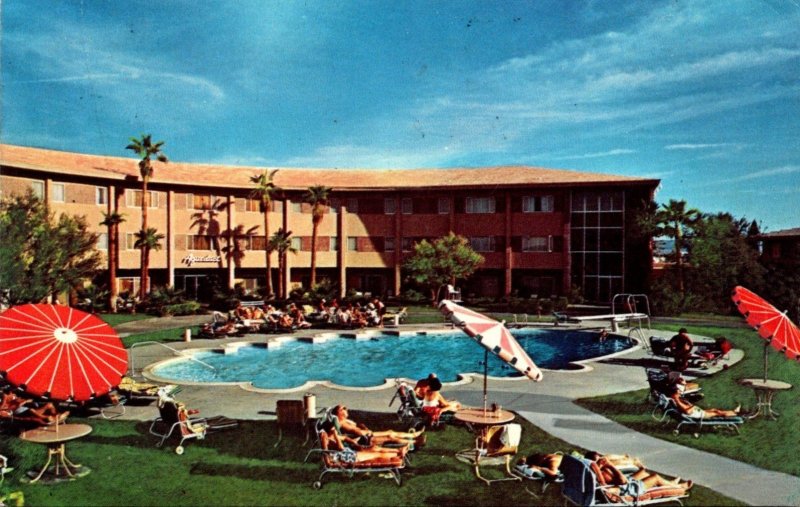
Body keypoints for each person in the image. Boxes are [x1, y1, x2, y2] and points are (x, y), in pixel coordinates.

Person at [586, 452, 693, 497]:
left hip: (623, 484)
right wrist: (610, 465)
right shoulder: (603, 473)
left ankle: (671, 483)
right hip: (627, 488)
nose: (602, 461)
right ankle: (680, 487)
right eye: (599, 460)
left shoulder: (594, 470)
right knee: (655, 477)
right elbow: (623, 482)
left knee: (644, 473)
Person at [332, 405, 425, 449]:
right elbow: (355, 432)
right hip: (365, 440)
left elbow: (357, 426)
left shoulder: (346, 420)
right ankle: (414, 441)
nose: (346, 409)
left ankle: (414, 437)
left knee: (390, 433)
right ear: (339, 413)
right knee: (390, 436)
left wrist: (364, 427)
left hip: (367, 435)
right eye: (343, 408)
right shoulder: (341, 423)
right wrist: (365, 432)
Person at [319, 420, 406, 466]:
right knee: (376, 454)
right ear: (330, 430)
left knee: (375, 451)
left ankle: (398, 451)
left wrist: (353, 442)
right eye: (334, 429)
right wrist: (336, 436)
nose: (336, 431)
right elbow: (340, 448)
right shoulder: (327, 438)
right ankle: (398, 454)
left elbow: (344, 438)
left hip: (348, 453)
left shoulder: (329, 436)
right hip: (348, 457)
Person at [670, 380, 741, 419]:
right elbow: (687, 411)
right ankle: (735, 413)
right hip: (696, 414)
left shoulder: (677, 398)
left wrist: (689, 404)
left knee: (714, 409)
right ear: (675, 392)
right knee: (717, 413)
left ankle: (734, 412)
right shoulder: (677, 399)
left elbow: (686, 408)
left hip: (696, 412)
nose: (680, 391)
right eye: (678, 390)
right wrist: (693, 406)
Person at [1, 389, 68, 425]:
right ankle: (50, 419)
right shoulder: (5, 403)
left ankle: (56, 416)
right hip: (20, 414)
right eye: (13, 395)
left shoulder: (12, 399)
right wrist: (25, 402)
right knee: (31, 410)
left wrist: (25, 401)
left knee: (49, 405)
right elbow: (11, 411)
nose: (15, 397)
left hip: (23, 411)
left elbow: (17, 403)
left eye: (15, 395)